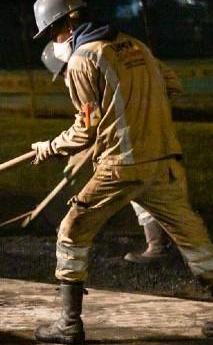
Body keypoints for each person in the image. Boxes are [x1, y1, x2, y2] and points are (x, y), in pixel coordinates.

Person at [29, 0, 213, 345]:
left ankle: (69, 324)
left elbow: (84, 128)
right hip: (163, 164)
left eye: (54, 31)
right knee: (195, 241)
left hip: (122, 166)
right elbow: (172, 86)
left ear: (70, 22)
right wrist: (137, 116)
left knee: (71, 232)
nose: (55, 40)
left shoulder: (81, 60)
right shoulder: (137, 46)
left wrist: (49, 147)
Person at [41, 41, 177, 265]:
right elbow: (169, 82)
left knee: (133, 184)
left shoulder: (88, 67)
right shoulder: (115, 54)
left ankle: (158, 247)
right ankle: (169, 244)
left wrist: (55, 146)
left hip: (134, 137)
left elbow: (89, 124)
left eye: (65, 72)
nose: (67, 79)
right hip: (146, 129)